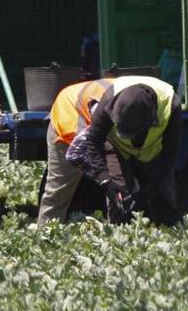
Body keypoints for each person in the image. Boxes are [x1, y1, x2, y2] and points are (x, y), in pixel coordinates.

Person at [66, 76, 182, 226]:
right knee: (119, 195)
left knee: (164, 195)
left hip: (153, 151)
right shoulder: (109, 101)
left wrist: (152, 187)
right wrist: (105, 180)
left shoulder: (171, 104)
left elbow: (170, 152)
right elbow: (93, 141)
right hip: (118, 147)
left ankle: (169, 228)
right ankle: (119, 231)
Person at [36, 77, 114, 224]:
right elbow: (76, 154)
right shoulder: (105, 114)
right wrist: (104, 178)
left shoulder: (147, 103)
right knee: (59, 189)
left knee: (117, 181)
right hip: (68, 120)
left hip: (95, 108)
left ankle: (119, 228)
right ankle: (46, 232)